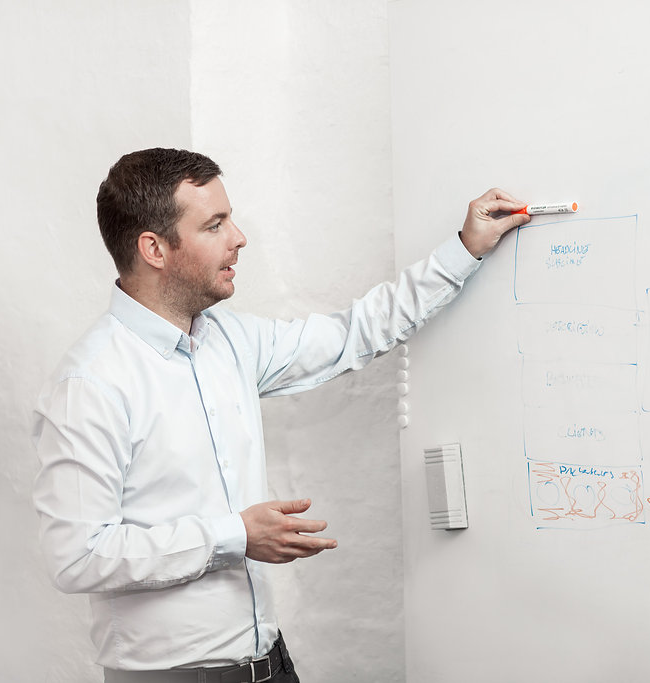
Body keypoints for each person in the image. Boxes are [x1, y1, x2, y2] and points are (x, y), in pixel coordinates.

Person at [31, 147, 530, 682]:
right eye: (215, 225)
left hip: (270, 665)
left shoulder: (230, 341)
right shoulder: (91, 384)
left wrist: (464, 250)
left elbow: (352, 333)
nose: (238, 238)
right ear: (154, 247)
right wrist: (235, 537)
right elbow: (78, 556)